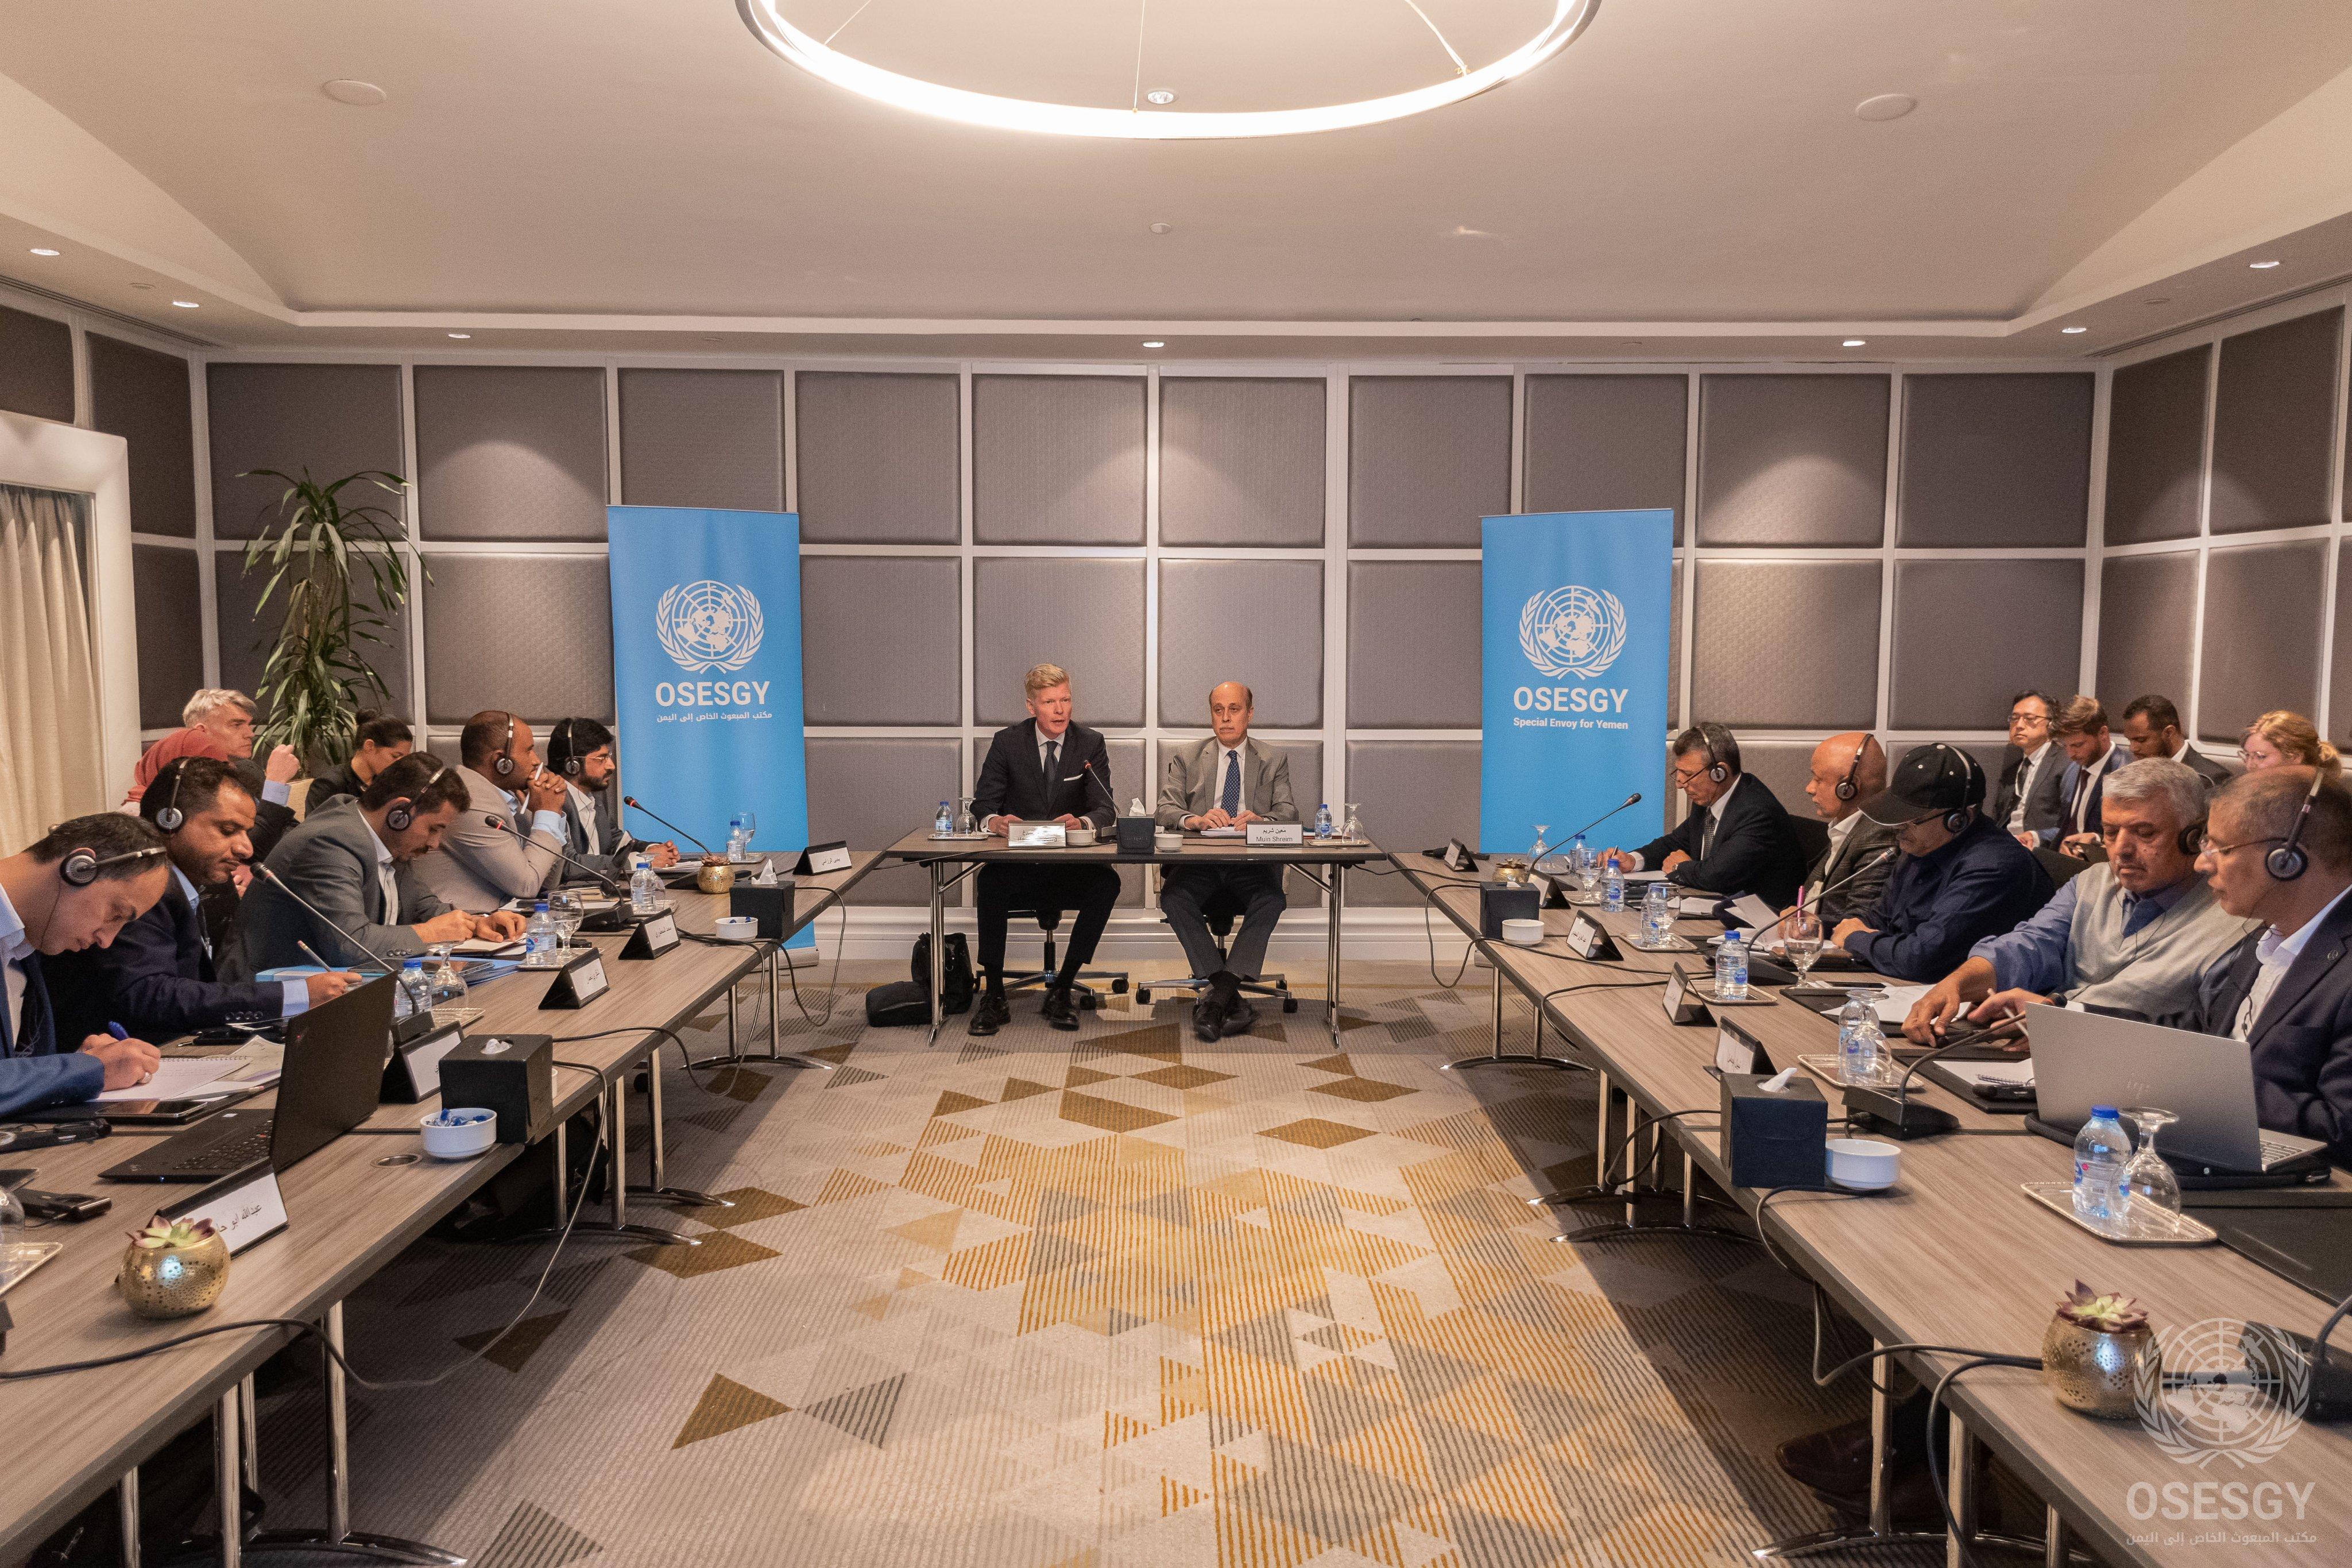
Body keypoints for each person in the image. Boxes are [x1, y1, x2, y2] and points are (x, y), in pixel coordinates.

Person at [1901, 758, 2252, 1040]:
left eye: (2145, 833)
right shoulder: (2093, 881)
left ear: (2195, 837)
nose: (2122, 850)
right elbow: (2029, 945)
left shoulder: (2236, 921)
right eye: (2111, 832)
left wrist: (2062, 1018)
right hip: (2042, 1049)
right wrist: (1957, 983)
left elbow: (2201, 1033)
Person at [49, 758, 362, 1047]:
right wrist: (290, 995)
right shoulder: (136, 890)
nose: (246, 849)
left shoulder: (204, 885)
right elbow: (151, 995)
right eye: (228, 830)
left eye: (246, 832)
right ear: (170, 820)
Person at [2184, 766, 2352, 1162]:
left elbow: (2342, 1129)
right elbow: (2203, 1030)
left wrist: (2205, 1084)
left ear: (2286, 860)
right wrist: (2075, 1015)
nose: (2201, 864)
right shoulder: (2266, 937)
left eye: (2222, 849)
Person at [242, 754, 524, 970]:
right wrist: (430, 932)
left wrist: (477, 923)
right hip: (271, 999)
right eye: (434, 829)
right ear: (399, 813)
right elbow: (349, 945)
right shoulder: (330, 844)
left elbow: (425, 908)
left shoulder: (391, 841)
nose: (435, 844)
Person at [966, 664, 1120, 1035]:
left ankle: (1063, 987)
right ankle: (995, 994)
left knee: (1107, 883)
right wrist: (995, 822)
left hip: (1069, 866)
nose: (1060, 709)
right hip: (1020, 865)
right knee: (989, 882)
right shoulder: (1007, 743)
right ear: (1031, 706)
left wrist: (1082, 822)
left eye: (1065, 699)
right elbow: (983, 804)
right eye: (1050, 702)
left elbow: (1105, 808)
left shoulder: (1090, 743)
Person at [1833, 744, 2053, 982]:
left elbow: (1923, 959)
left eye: (1912, 820)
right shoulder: (1921, 846)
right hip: (1908, 986)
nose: (1898, 828)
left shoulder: (1993, 866)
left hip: (1982, 1000)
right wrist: (1815, 926)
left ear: (1958, 820)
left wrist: (1855, 938)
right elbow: (1877, 921)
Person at [0, 814, 171, 1117]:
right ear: (80, 869)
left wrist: (63, 1070)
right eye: (116, 915)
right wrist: (86, 1070)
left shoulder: (23, 944)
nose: (107, 941)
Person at [1155, 683, 1296, 1041]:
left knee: (1272, 899)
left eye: (1234, 709)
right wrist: (1196, 819)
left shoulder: (1272, 759)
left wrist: (1261, 820)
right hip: (1201, 863)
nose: (1226, 718)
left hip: (1251, 865)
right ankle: (1228, 993)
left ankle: (1216, 1000)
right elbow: (1165, 809)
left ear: (1250, 714)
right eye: (1218, 710)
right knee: (1173, 898)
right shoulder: (1188, 757)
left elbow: (1288, 811)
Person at [1602, 723, 1808, 909]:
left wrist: (1679, 867)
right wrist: (1633, 860)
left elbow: (1718, 876)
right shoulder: (1710, 799)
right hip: (1717, 909)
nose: (1680, 783)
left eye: (1688, 774)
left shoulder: (1757, 812)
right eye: (1678, 772)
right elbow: (1675, 842)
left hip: (1761, 922)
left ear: (1719, 773)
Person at [417, 710, 573, 912]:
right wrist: (547, 813)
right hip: (462, 925)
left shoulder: (505, 797)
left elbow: (546, 883)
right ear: (502, 761)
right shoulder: (471, 802)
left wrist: (548, 813)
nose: (536, 761)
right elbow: (527, 885)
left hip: (498, 921)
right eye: (529, 751)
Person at [133, 690, 301, 861]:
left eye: (249, 725)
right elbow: (247, 854)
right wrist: (276, 784)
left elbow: (288, 826)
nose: (250, 734)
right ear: (201, 732)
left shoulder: (248, 771)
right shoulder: (182, 793)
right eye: (237, 725)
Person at [1781, 733, 1898, 927]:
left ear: (1848, 788)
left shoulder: (1878, 835)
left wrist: (1808, 923)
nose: (1810, 788)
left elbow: (1860, 922)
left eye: (1818, 780)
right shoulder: (1846, 827)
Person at [542, 717, 679, 882]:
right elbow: (567, 865)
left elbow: (613, 840)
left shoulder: (596, 794)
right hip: (571, 894)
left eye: (609, 756)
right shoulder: (550, 798)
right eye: (601, 758)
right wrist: (640, 862)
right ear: (573, 764)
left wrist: (651, 850)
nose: (611, 766)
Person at [2048, 695, 2127, 858]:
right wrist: (2036, 836)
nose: (2071, 754)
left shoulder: (2125, 774)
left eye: (2078, 745)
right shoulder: (2073, 770)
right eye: (2065, 746)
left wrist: (2096, 840)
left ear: (2103, 733)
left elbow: (2132, 837)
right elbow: (2066, 827)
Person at [1990, 690, 2067, 849]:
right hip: (2005, 844)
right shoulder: (2013, 766)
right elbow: (1999, 816)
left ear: (2051, 724)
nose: (2019, 725)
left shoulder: (2066, 763)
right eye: (2014, 718)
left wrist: (2037, 838)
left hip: (2040, 849)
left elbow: (2071, 826)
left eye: (2029, 719)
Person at [303, 711, 416, 813]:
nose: (400, 764)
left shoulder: (387, 782)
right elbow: (315, 828)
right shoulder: (328, 785)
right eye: (395, 756)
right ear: (369, 746)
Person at [2120, 695, 2231, 787]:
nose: (2133, 748)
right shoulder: (2135, 773)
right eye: (2130, 740)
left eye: (2141, 740)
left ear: (2169, 733)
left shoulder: (2211, 779)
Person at [2241, 710, 2342, 780]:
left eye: (2260, 756)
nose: (2250, 766)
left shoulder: (2317, 801)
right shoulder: (2249, 794)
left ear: (2295, 757)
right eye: (2247, 755)